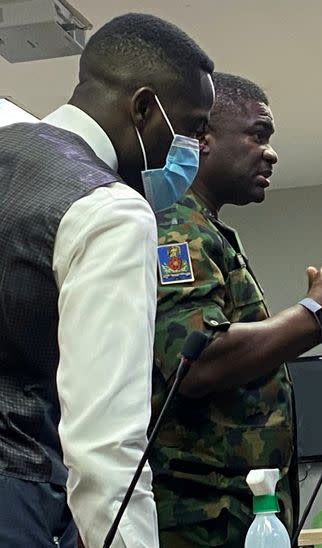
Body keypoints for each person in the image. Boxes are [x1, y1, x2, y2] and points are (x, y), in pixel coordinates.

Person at [151, 73, 322, 547]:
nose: (271, 153)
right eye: (257, 135)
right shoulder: (175, 226)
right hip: (200, 514)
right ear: (203, 139)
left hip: (234, 509)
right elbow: (196, 363)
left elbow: (237, 354)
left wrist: (315, 324)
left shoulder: (208, 229)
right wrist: (314, 312)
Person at [0, 12, 215, 547]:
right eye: (190, 128)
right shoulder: (108, 211)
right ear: (143, 108)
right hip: (19, 497)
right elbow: (105, 447)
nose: (194, 149)